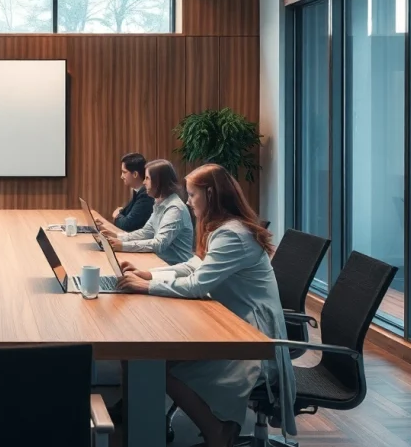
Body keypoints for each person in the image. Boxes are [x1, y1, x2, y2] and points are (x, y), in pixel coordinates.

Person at [115, 164, 296, 447]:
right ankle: (164, 424)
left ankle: (217, 431)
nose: (188, 201)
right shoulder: (222, 228)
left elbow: (197, 285)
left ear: (210, 195)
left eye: (192, 195)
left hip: (251, 338)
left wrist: (146, 286)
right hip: (230, 322)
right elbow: (194, 266)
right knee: (153, 361)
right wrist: (148, 275)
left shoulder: (232, 234)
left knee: (157, 365)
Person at [100, 159, 194, 265]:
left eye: (147, 178)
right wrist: (118, 237)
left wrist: (123, 245)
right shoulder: (160, 203)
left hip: (173, 267)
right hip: (159, 262)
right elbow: (146, 232)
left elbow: (159, 244)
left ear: (158, 181)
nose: (144, 182)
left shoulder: (175, 209)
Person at [106, 152, 154, 232]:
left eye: (124, 172)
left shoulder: (146, 195)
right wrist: (120, 214)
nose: (121, 176)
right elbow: (124, 213)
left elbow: (126, 225)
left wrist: (117, 215)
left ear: (135, 174)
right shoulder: (137, 191)